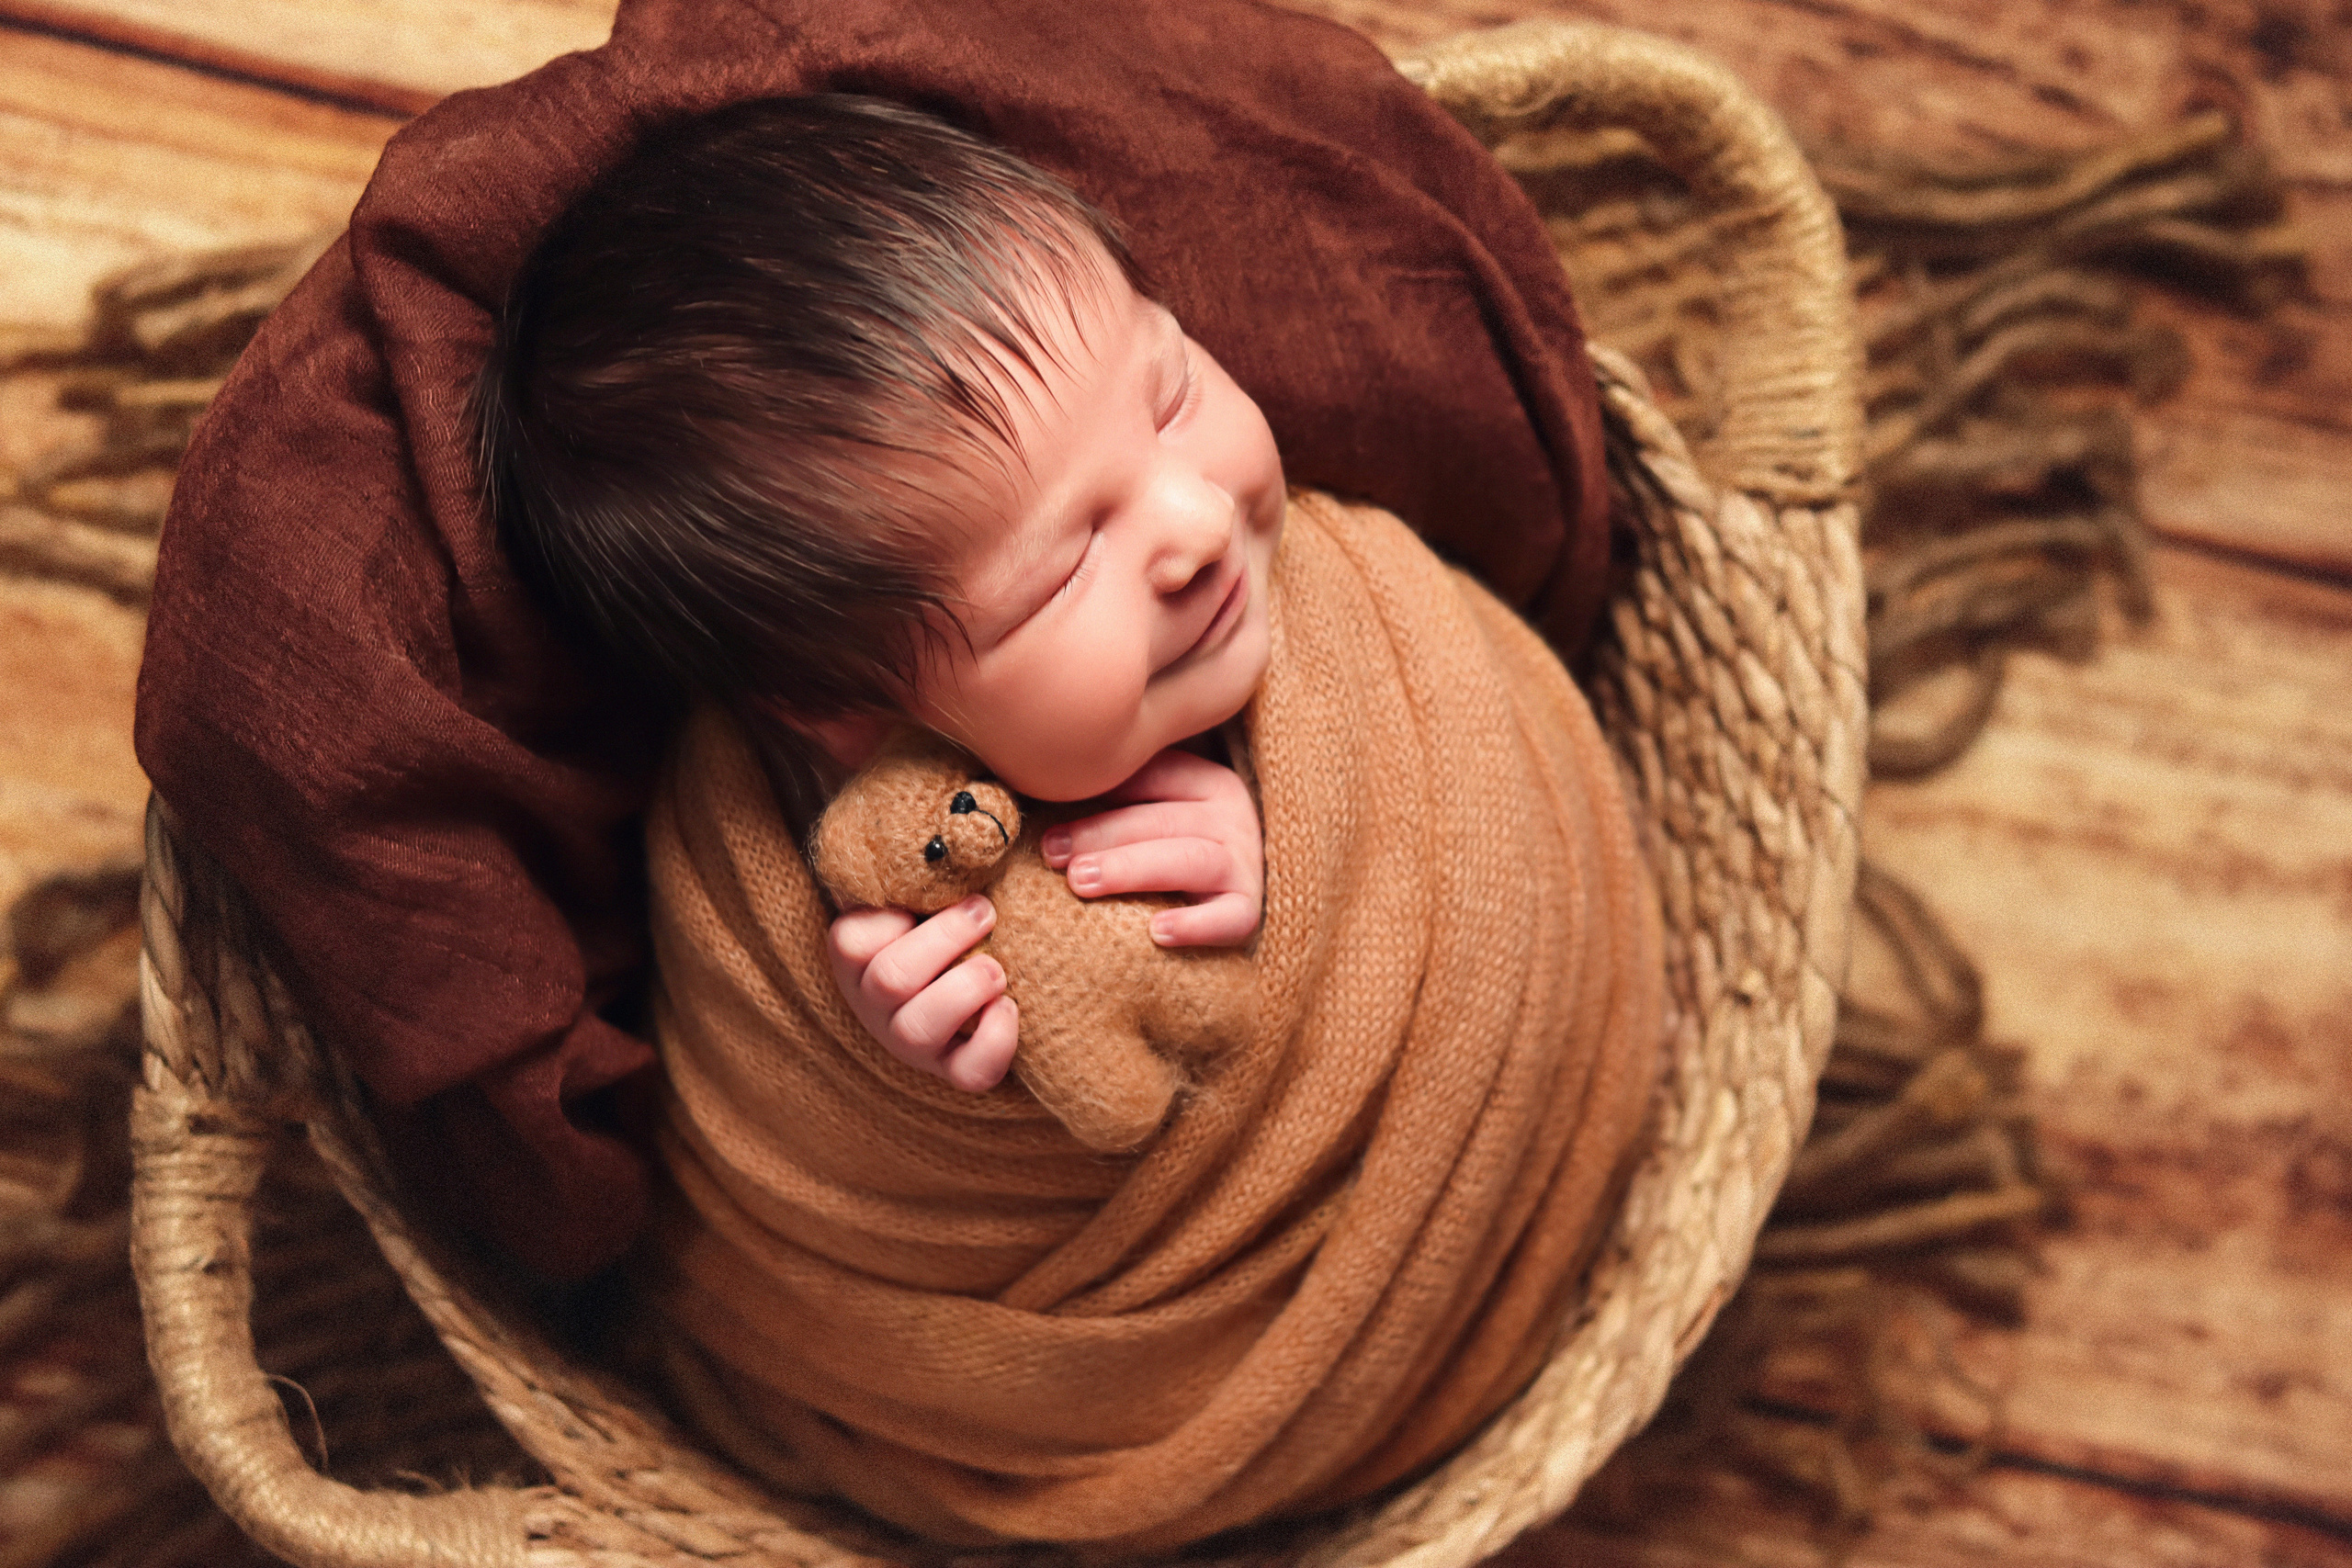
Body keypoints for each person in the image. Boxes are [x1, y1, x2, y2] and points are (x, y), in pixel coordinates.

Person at [479, 92, 1278, 1092]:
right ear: (847, 716)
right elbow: (787, 1128)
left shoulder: (1338, 588)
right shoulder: (820, 848)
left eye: (1171, 400)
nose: (1198, 524)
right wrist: (895, 1055)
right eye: (1063, 571)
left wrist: (1294, 865)